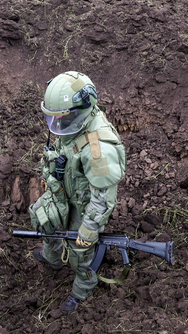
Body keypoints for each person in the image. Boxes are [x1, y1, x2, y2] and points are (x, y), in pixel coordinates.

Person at [28, 71, 126, 313]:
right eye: (54, 118)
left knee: (80, 253)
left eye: (63, 117)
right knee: (47, 222)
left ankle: (82, 289)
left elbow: (102, 200)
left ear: (82, 109)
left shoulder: (98, 148)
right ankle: (52, 258)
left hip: (84, 207)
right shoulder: (71, 122)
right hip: (63, 191)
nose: (57, 124)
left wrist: (88, 231)